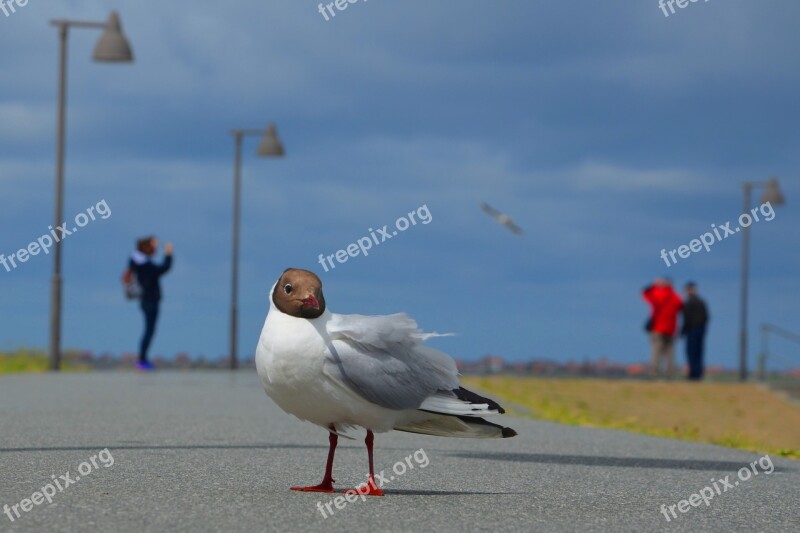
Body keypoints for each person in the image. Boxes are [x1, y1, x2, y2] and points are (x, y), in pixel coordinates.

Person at [130, 236, 173, 371]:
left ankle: (142, 359)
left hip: (145, 300)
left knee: (149, 330)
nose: (155, 249)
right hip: (150, 300)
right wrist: (168, 254)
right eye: (154, 246)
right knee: (149, 330)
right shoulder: (145, 265)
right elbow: (163, 268)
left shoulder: (137, 261)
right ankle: (142, 360)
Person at [642, 277, 683, 380]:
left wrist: (655, 285)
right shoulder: (676, 297)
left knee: (656, 353)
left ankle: (654, 375)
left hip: (658, 328)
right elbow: (681, 307)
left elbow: (645, 294)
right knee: (670, 354)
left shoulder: (657, 294)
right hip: (671, 329)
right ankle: (669, 376)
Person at [681, 282, 709, 381]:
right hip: (700, 330)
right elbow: (706, 317)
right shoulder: (701, 302)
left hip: (692, 331)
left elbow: (687, 319)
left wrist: (683, 331)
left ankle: (693, 374)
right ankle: (697, 373)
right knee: (699, 353)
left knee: (692, 353)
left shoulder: (689, 303)